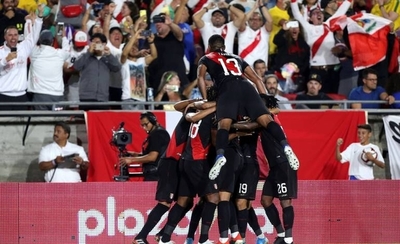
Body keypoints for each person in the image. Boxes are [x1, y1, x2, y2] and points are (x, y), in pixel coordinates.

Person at [197, 34, 299, 181]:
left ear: (209, 47)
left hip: (227, 88)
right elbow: (257, 79)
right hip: (246, 87)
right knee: (266, 120)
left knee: (223, 125)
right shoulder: (236, 58)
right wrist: (265, 99)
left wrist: (205, 98)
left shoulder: (206, 57)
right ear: (224, 47)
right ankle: (286, 146)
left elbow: (200, 77)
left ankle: (220, 155)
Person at [0, 12, 42, 110]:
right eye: (10, 35)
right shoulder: (0, 51)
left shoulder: (23, 48)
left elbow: (34, 35)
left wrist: (39, 18)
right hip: (3, 96)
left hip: (21, 96)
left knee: (20, 125)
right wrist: (5, 60)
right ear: (5, 37)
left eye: (15, 35)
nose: (13, 37)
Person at [120, 112, 170, 181]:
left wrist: (131, 160)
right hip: (155, 173)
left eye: (146, 124)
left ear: (153, 121)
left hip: (156, 175)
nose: (144, 128)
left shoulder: (158, 134)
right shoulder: (155, 133)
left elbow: (152, 157)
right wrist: (134, 154)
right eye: (142, 125)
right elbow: (151, 153)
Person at [27, 29, 69, 110]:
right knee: (57, 121)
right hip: (57, 95)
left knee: (41, 121)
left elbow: (29, 41)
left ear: (39, 40)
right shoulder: (60, 54)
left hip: (40, 95)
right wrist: (64, 38)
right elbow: (67, 50)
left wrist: (29, 23)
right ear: (52, 41)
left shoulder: (34, 52)